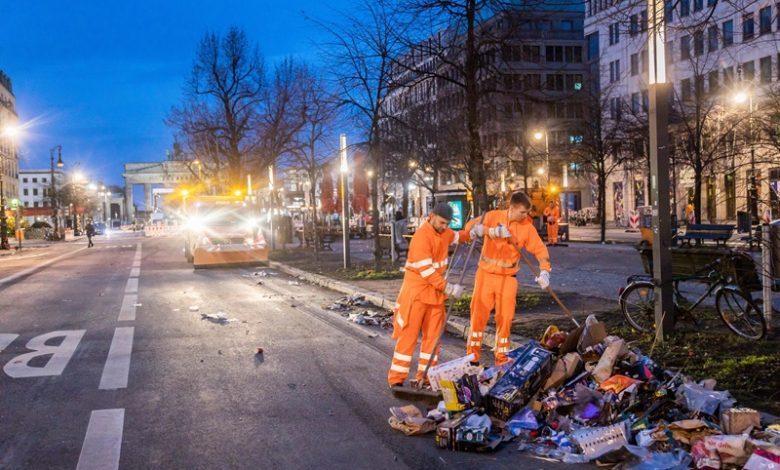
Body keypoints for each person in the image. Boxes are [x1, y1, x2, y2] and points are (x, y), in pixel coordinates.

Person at [464, 192, 552, 366]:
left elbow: (540, 250)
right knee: (478, 317)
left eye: (527, 213)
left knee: (505, 319)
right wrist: (484, 231)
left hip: (509, 278)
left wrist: (545, 271)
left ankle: (502, 360)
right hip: (485, 276)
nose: (525, 216)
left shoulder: (526, 227)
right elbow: (468, 228)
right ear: (511, 208)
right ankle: (472, 358)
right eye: (522, 212)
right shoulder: (493, 216)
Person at [388, 203, 470, 388]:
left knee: (433, 340)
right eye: (441, 222)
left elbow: (460, 236)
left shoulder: (445, 233)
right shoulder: (421, 238)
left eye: (447, 224)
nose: (444, 227)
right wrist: (448, 288)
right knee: (408, 337)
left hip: (435, 295)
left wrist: (477, 230)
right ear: (432, 216)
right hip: (417, 293)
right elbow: (427, 272)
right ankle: (396, 379)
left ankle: (424, 378)